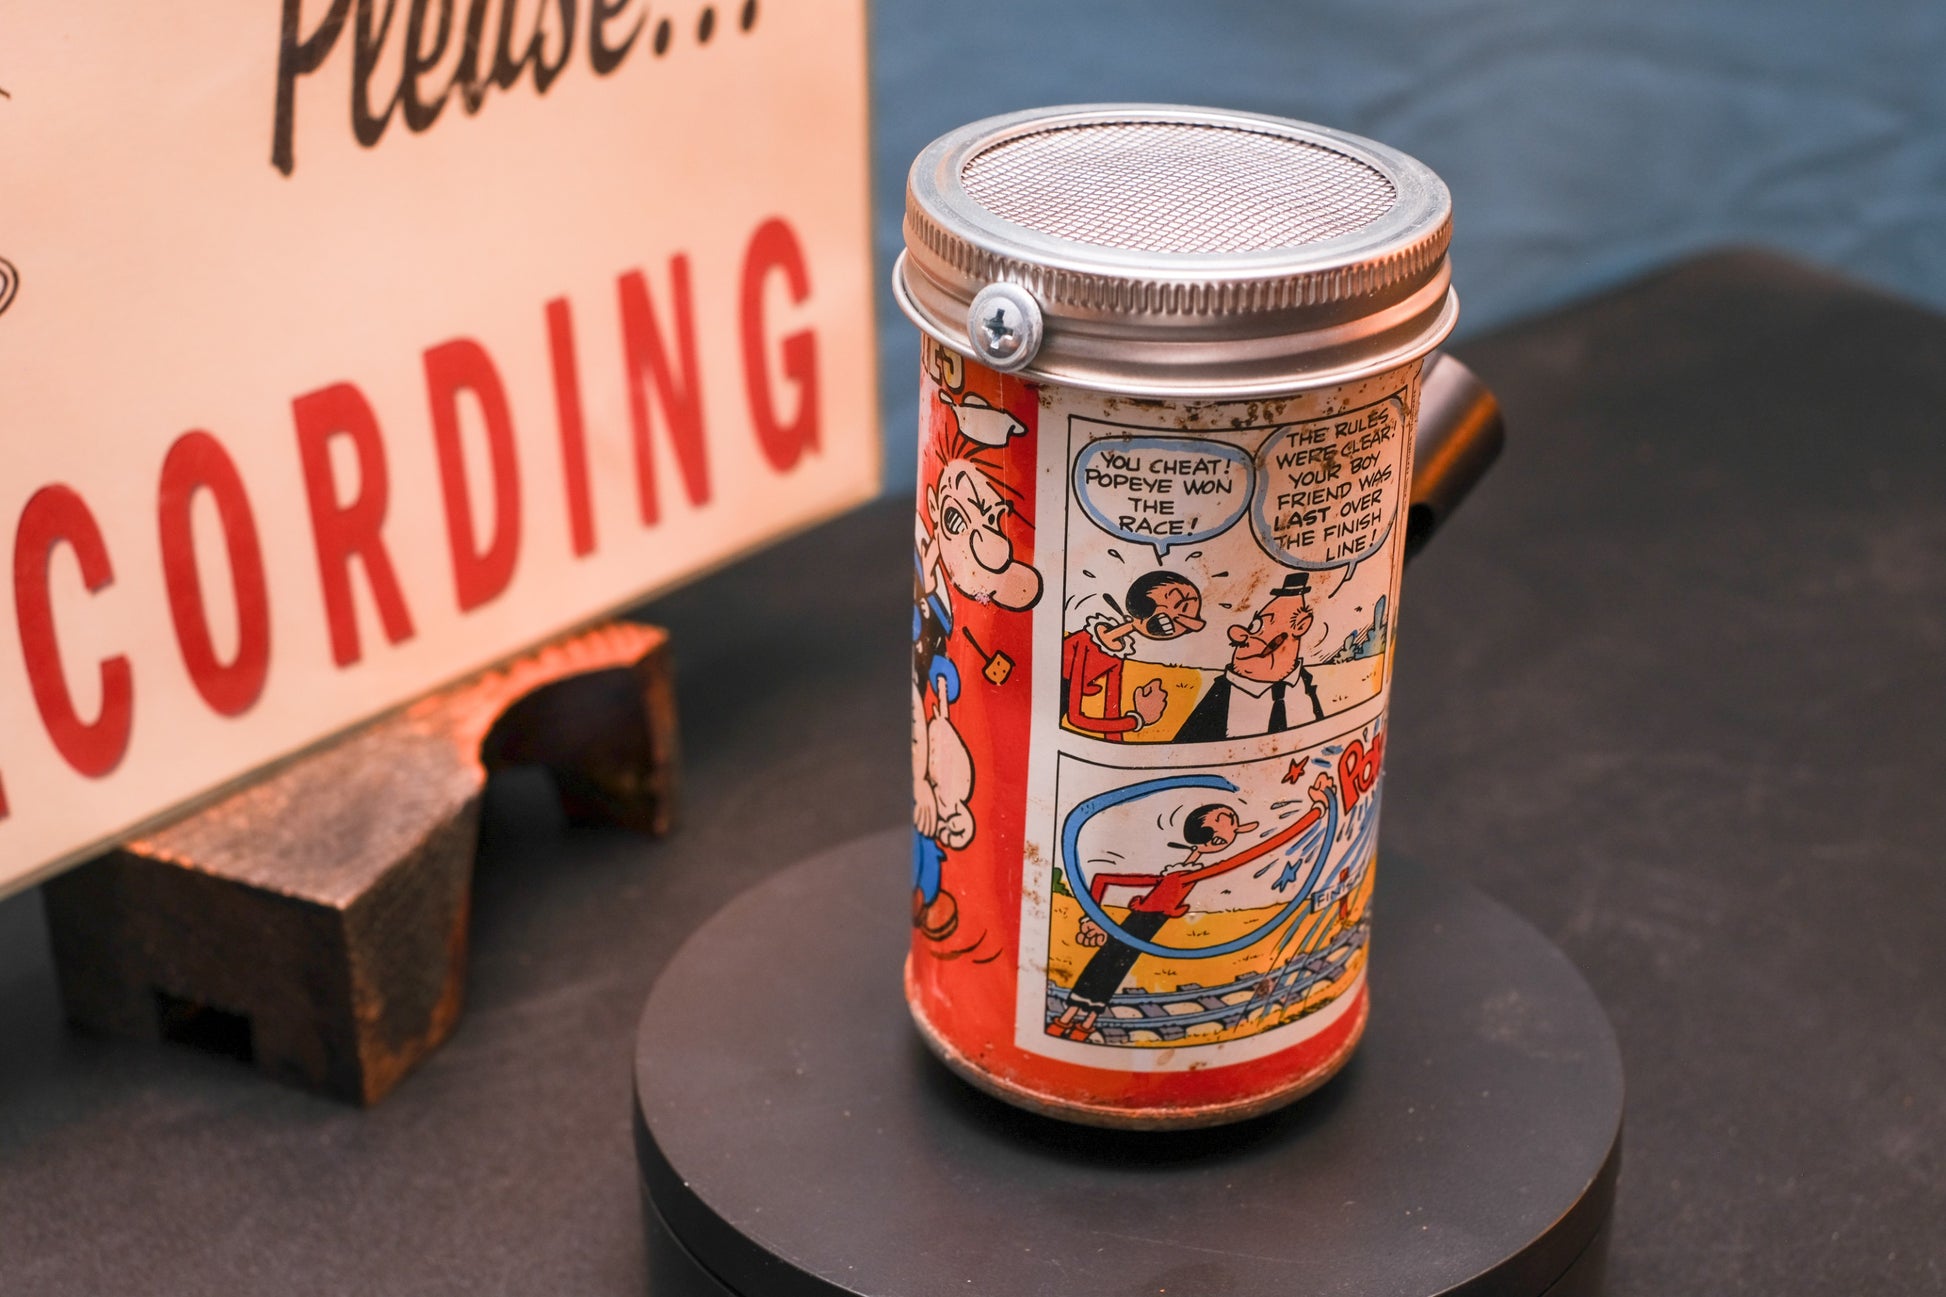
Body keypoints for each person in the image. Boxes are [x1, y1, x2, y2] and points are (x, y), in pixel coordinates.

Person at [1047, 773, 1334, 1042]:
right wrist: (1092, 919)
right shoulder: (1179, 874)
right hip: (1138, 923)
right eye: (1225, 819)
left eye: (1229, 819)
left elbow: (1258, 851)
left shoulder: (1184, 874)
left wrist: (1315, 812)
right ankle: (1077, 1020)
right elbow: (1103, 879)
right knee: (1108, 964)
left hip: (1142, 924)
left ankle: (1078, 1020)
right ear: (1215, 840)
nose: (1231, 820)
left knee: (1109, 964)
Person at [1171, 573, 1325, 743]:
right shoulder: (1222, 694)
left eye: (1261, 627)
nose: (1241, 636)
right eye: (1253, 626)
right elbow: (1185, 747)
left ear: (1301, 626)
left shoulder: (1305, 683)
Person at [1059, 571, 1203, 740]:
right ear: (1145, 609)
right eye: (1182, 608)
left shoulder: (1117, 653)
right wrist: (1138, 719)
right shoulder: (1085, 642)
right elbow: (1076, 719)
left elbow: (1111, 712)